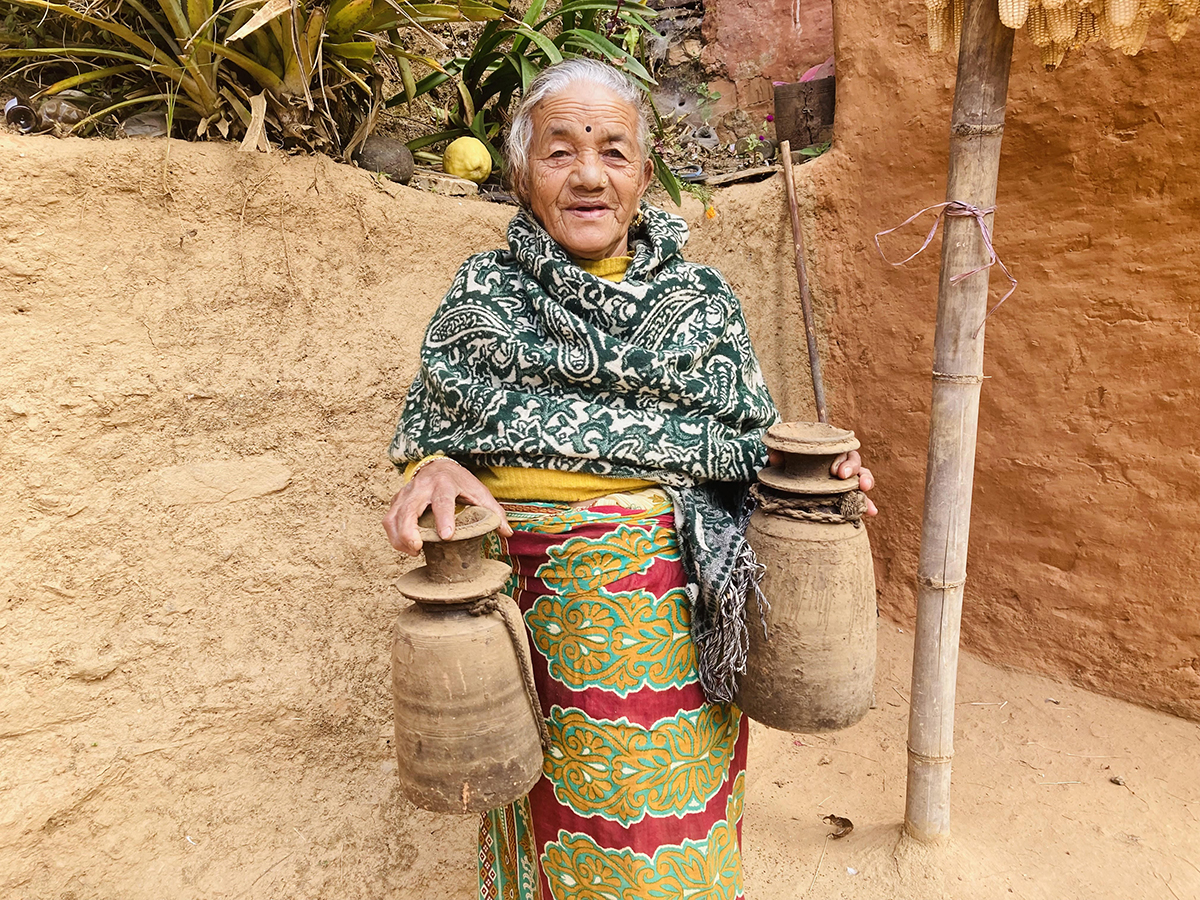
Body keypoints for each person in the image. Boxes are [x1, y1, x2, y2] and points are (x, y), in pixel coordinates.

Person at [383, 58, 874, 900]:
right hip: (529, 627)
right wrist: (435, 468)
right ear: (520, 171)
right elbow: (434, 434)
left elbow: (745, 449)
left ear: (645, 175)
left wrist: (817, 484)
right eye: (560, 151)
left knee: (658, 846)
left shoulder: (702, 300)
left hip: (676, 619)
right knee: (549, 839)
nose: (587, 175)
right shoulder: (484, 294)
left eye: (614, 152)